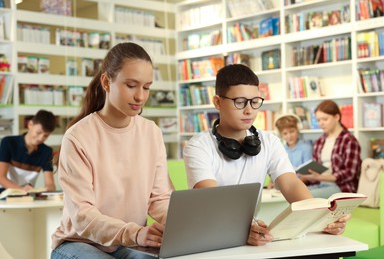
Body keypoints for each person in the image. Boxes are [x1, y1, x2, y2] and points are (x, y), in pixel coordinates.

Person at [183, 64, 350, 246]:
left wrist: (321, 218)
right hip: (208, 238)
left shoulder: (269, 142)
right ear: (217, 102)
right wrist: (242, 229)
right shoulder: (198, 146)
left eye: (255, 101)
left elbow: (291, 184)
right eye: (239, 102)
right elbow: (212, 199)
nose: (249, 110)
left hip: (248, 239)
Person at [51, 42, 174, 258]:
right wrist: (135, 233)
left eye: (146, 87)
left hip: (127, 243)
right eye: (131, 85)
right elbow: (82, 216)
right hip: (77, 243)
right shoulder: (78, 137)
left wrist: (183, 223)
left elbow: (159, 199)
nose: (140, 96)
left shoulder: (151, 132)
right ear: (107, 82)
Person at [299, 100, 361, 199]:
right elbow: (315, 169)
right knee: (293, 194)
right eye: (318, 120)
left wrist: (320, 177)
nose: (321, 123)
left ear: (337, 117)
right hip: (320, 185)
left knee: (303, 197)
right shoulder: (319, 142)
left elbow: (350, 173)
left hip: (342, 188)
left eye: (325, 119)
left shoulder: (349, 141)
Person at [0, 109, 57, 192]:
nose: (41, 138)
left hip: (28, 196)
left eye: (45, 136)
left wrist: (46, 188)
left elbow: (50, 185)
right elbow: (1, 177)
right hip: (4, 193)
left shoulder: (47, 152)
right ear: (30, 124)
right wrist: (22, 190)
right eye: (38, 132)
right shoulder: (8, 143)